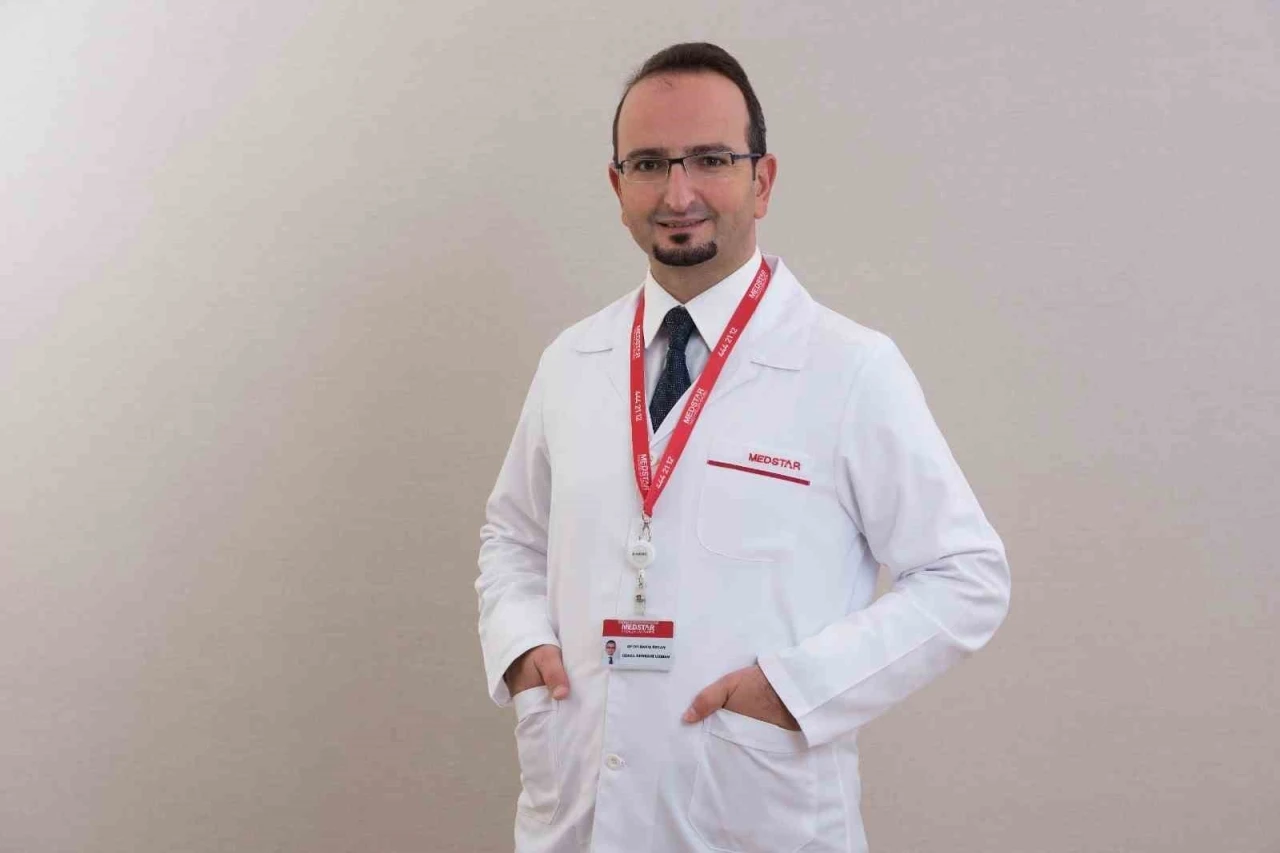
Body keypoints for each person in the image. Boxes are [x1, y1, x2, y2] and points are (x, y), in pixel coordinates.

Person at [476, 42, 1011, 853]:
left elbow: (967, 575)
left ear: (763, 180)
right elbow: (512, 535)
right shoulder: (571, 362)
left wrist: (797, 690)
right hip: (579, 806)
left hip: (757, 810)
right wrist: (521, 648)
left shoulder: (849, 368)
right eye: (649, 164)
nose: (678, 192)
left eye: (711, 159)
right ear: (618, 188)